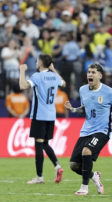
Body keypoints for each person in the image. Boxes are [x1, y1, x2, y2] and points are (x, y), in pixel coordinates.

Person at [65, 63, 112, 195]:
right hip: (86, 130)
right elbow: (85, 109)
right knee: (73, 165)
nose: (90, 74)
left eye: (93, 72)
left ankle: (84, 188)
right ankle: (94, 176)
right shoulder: (83, 90)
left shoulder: (110, 92)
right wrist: (73, 110)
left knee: (87, 151)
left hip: (102, 131)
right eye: (89, 72)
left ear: (100, 76)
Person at [19, 54, 66, 184]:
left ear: (40, 63)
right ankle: (57, 166)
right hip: (51, 116)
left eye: (37, 61)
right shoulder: (55, 76)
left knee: (39, 145)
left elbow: (23, 86)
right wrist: (54, 69)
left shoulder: (37, 77)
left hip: (40, 115)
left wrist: (22, 71)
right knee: (45, 144)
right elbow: (64, 83)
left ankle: (39, 177)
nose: (36, 62)